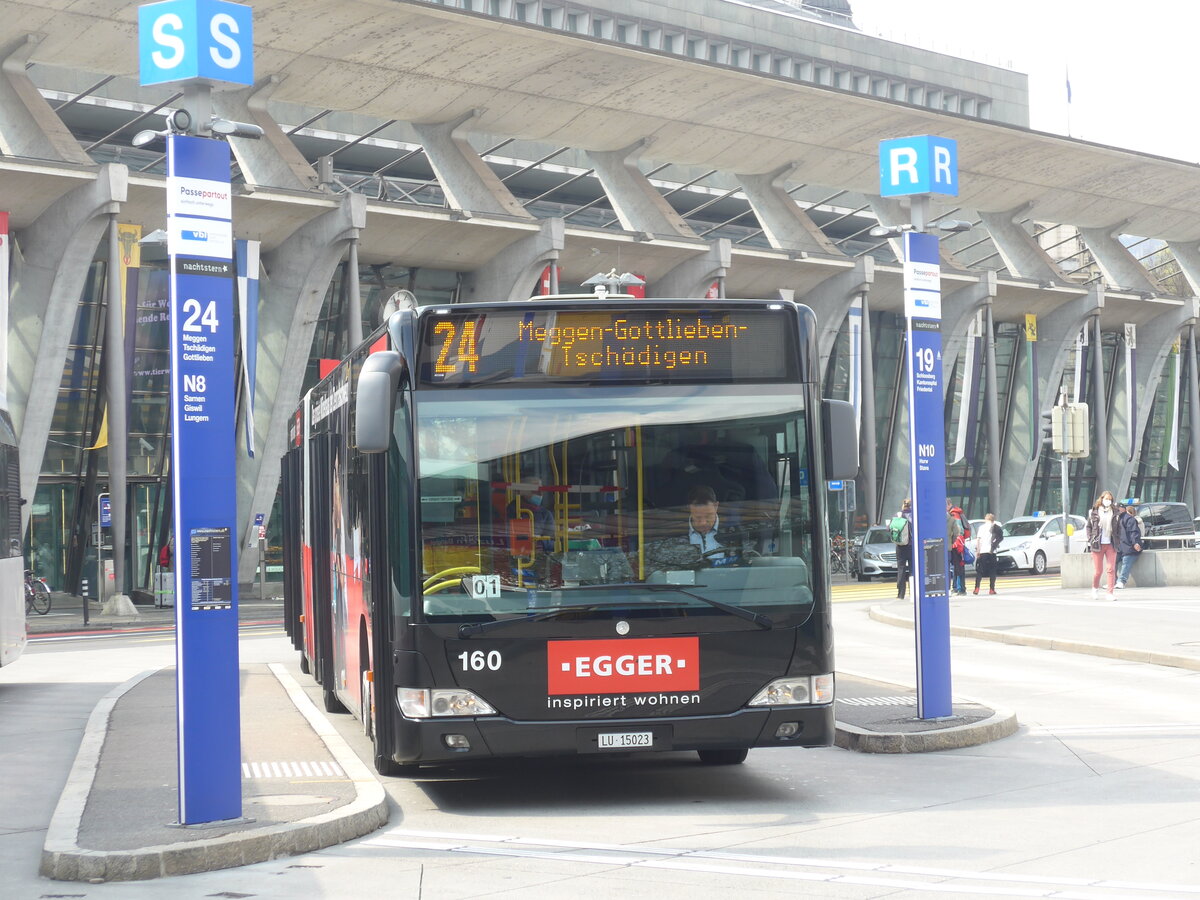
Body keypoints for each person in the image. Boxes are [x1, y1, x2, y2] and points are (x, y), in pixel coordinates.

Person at [1085, 490, 1119, 600]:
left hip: (1111, 544)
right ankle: (1094, 589)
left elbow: (1119, 528)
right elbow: (1088, 526)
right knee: (1098, 571)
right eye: (1106, 499)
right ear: (1102, 499)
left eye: (1110, 499)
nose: (1108, 501)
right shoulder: (1093, 512)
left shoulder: (1115, 512)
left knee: (1111, 569)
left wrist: (1118, 539)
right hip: (1097, 544)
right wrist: (1090, 538)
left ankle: (1110, 593)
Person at [1114, 502, 1143, 590]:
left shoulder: (1129, 519)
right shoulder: (1116, 519)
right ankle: (1112, 581)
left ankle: (1121, 581)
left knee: (1126, 561)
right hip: (1120, 547)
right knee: (1112, 561)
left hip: (1130, 547)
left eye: (1117, 508)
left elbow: (1133, 532)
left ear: (1123, 509)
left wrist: (1135, 543)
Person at [972, 513, 1002, 594]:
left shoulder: (981, 528)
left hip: (983, 551)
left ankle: (977, 588)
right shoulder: (996, 527)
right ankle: (992, 589)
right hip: (992, 551)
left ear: (986, 519)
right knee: (992, 570)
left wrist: (978, 551)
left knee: (980, 570)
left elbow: (978, 540)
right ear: (993, 520)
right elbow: (999, 538)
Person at [894, 498, 913, 599]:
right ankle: (913, 592)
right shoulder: (914, 515)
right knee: (912, 570)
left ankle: (901, 594)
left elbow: (889, 528)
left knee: (901, 569)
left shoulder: (897, 515)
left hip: (900, 546)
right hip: (911, 546)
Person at [947, 500, 967, 595]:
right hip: (955, 544)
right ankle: (956, 587)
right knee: (956, 566)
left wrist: (954, 540)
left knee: (959, 566)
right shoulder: (953, 514)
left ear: (949, 505)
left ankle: (961, 588)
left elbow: (959, 531)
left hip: (956, 545)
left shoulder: (954, 514)